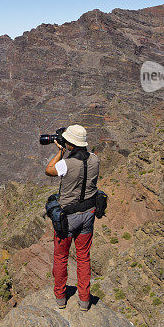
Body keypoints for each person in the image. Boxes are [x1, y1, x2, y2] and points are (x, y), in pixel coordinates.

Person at [44, 124, 99, 311]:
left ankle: (61, 297)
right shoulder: (95, 160)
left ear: (70, 144)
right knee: (83, 257)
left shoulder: (66, 164)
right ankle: (84, 301)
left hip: (68, 218)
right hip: (89, 214)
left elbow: (49, 170)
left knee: (61, 257)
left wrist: (60, 151)